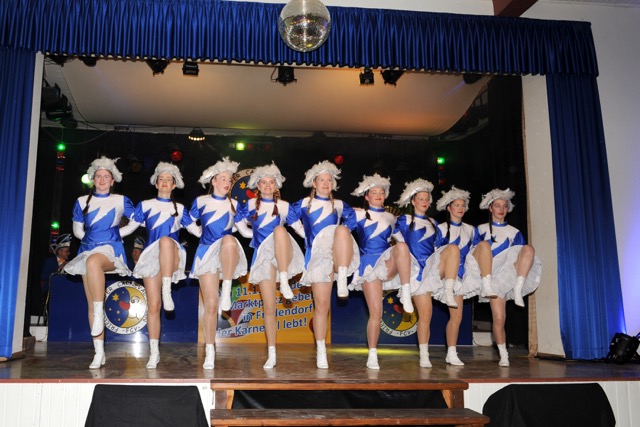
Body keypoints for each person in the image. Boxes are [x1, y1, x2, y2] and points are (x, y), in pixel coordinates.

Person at [64, 156, 136, 369]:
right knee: (91, 301)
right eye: (98, 176)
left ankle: (99, 312)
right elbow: (77, 230)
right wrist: (88, 239)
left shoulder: (121, 200)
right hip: (87, 250)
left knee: (95, 262)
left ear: (113, 180)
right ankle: (99, 352)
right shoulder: (81, 201)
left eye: (106, 176)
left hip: (111, 250)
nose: (102, 179)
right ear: (93, 179)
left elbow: (137, 221)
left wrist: (118, 234)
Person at [286, 160, 359, 369]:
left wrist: (340, 239)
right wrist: (304, 234)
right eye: (322, 180)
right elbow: (290, 216)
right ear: (314, 183)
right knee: (322, 306)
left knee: (342, 230)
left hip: (336, 255)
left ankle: (342, 277)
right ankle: (320, 350)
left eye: (329, 180)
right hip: (317, 256)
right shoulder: (304, 204)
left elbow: (352, 220)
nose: (326, 183)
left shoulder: (339, 205)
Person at [126, 162, 198, 369]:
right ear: (156, 183)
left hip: (173, 255)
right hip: (151, 256)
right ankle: (154, 351)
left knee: (166, 241)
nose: (165, 182)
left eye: (169, 180)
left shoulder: (181, 209)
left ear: (174, 185)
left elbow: (197, 231)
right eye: (161, 179)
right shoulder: (145, 205)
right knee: (154, 305)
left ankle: (167, 289)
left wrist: (222, 233)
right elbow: (130, 227)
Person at [235, 163, 305, 369]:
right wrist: (252, 235)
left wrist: (320, 243)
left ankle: (284, 280)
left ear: (276, 186)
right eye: (263, 183)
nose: (267, 186)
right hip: (263, 257)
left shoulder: (284, 206)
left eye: (271, 182)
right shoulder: (250, 204)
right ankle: (272, 353)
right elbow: (239, 224)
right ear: (258, 186)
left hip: (283, 253)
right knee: (269, 308)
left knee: (280, 231)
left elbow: (299, 229)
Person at [349, 174, 415, 370]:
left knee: (402, 247)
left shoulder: (391, 217)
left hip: (387, 262)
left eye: (381, 192)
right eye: (374, 192)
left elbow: (402, 241)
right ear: (366, 196)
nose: (378, 195)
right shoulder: (358, 215)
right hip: (368, 266)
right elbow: (342, 235)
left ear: (385, 196)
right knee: (376, 313)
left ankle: (405, 292)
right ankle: (372, 354)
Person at [188, 157, 248, 370]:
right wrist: (200, 233)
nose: (227, 182)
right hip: (206, 252)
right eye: (223, 179)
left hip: (226, 252)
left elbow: (244, 231)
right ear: (213, 181)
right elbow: (188, 220)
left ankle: (228, 288)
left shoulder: (235, 205)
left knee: (230, 239)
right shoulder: (201, 201)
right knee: (211, 306)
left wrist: (265, 238)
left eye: (229, 180)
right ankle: (210, 349)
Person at [393, 179, 460, 368]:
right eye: (420, 199)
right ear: (413, 201)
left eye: (426, 199)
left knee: (453, 249)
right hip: (415, 271)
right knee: (426, 315)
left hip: (432, 268)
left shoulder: (433, 222)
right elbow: (397, 239)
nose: (424, 202)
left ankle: (448, 290)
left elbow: (438, 247)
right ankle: (424, 355)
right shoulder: (405, 220)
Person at [477, 188, 542, 367]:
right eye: (497, 206)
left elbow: (522, 255)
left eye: (504, 206)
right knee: (499, 318)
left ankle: (518, 288)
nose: (501, 209)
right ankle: (503, 354)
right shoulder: (481, 229)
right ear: (490, 208)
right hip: (492, 278)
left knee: (528, 249)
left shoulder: (514, 232)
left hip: (510, 274)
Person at [434, 186, 496, 366]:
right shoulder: (440, 228)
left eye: (463, 205)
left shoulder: (470, 229)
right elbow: (435, 254)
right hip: (445, 274)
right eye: (456, 205)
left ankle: (451, 353)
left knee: (457, 317)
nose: (460, 208)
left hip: (461, 275)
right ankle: (443, 351)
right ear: (448, 208)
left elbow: (476, 253)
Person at [40, 233, 72, 299]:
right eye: (67, 251)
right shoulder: (50, 262)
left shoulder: (71, 263)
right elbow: (43, 279)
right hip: (52, 294)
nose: (69, 253)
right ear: (60, 252)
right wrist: (59, 269)